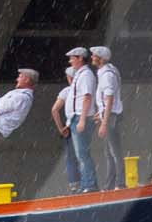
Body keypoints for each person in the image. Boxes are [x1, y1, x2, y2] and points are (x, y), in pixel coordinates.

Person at [51, 46, 98, 194]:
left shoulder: (86, 75)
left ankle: (89, 185)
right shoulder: (80, 74)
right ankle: (86, 184)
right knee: (80, 154)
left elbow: (87, 97)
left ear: (80, 58)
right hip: (75, 118)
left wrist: (82, 119)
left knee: (82, 154)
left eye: (72, 58)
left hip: (79, 118)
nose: (70, 61)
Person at [92, 45, 125, 189]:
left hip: (110, 116)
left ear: (100, 58)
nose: (92, 57)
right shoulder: (107, 71)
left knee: (114, 151)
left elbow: (110, 98)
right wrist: (101, 114)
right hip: (108, 114)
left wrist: (104, 122)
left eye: (94, 55)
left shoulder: (107, 75)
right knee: (109, 152)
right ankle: (110, 185)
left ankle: (120, 183)